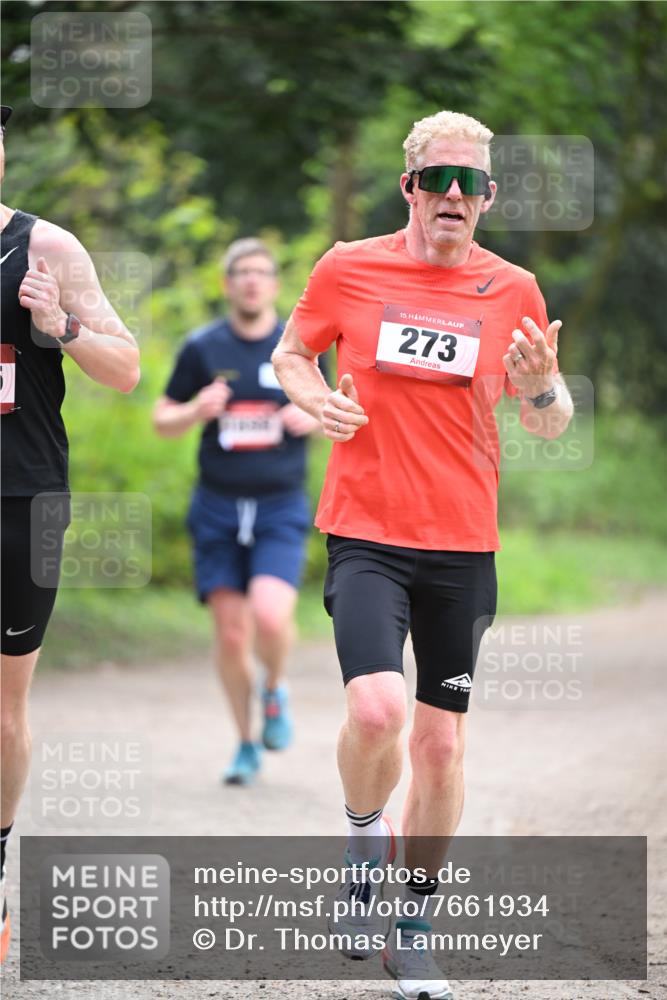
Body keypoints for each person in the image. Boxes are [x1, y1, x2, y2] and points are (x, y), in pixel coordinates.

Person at [272, 110, 573, 999]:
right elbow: (293, 355)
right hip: (365, 529)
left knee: (440, 750)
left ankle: (413, 924)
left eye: (468, 183)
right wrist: (313, 397)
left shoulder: (514, 289)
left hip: (460, 544)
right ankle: (363, 839)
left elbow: (547, 421)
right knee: (375, 713)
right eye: (436, 179)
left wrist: (544, 388)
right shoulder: (346, 267)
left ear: (488, 197)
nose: (452, 196)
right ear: (408, 186)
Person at [0, 104, 140, 964]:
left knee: (4, 710)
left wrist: (63, 327)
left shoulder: (47, 248)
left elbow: (124, 369)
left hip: (22, 504)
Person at [153, 238, 322, 786]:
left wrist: (315, 416)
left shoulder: (299, 345)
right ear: (228, 284)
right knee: (230, 634)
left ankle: (274, 688)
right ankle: (245, 742)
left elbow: (345, 402)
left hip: (279, 505)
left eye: (261, 272)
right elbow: (162, 419)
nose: (251, 281)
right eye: (241, 273)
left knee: (271, 616)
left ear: (275, 284)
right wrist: (193, 410)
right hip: (217, 507)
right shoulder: (202, 347)